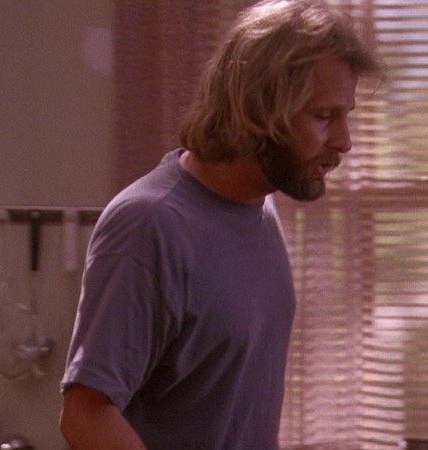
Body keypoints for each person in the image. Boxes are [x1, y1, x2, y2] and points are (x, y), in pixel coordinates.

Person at [59, 0, 382, 448]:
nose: (345, 142)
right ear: (259, 109)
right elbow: (86, 415)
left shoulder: (262, 209)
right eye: (324, 116)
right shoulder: (150, 224)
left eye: (346, 116)